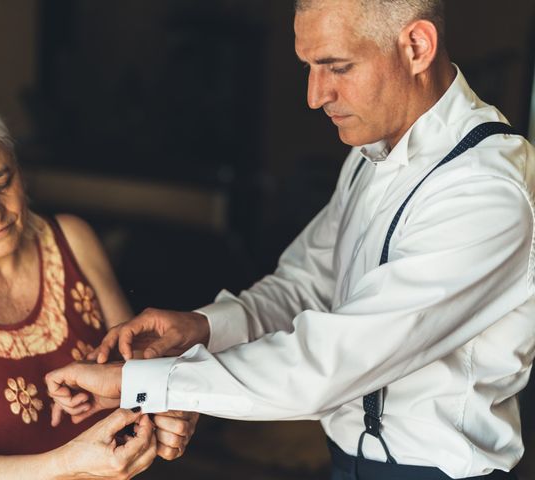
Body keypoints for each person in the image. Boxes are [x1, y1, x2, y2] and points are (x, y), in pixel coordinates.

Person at [46, 0, 535, 479]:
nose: (314, 95)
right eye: (309, 67)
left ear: (416, 46)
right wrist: (203, 328)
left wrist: (143, 383)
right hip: (344, 463)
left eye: (336, 67)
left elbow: (332, 362)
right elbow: (303, 286)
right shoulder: (372, 152)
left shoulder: (486, 189)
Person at [0, 94, 196, 480]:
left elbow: (139, 378)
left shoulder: (72, 240)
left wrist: (167, 414)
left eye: (0, 183)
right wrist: (69, 463)